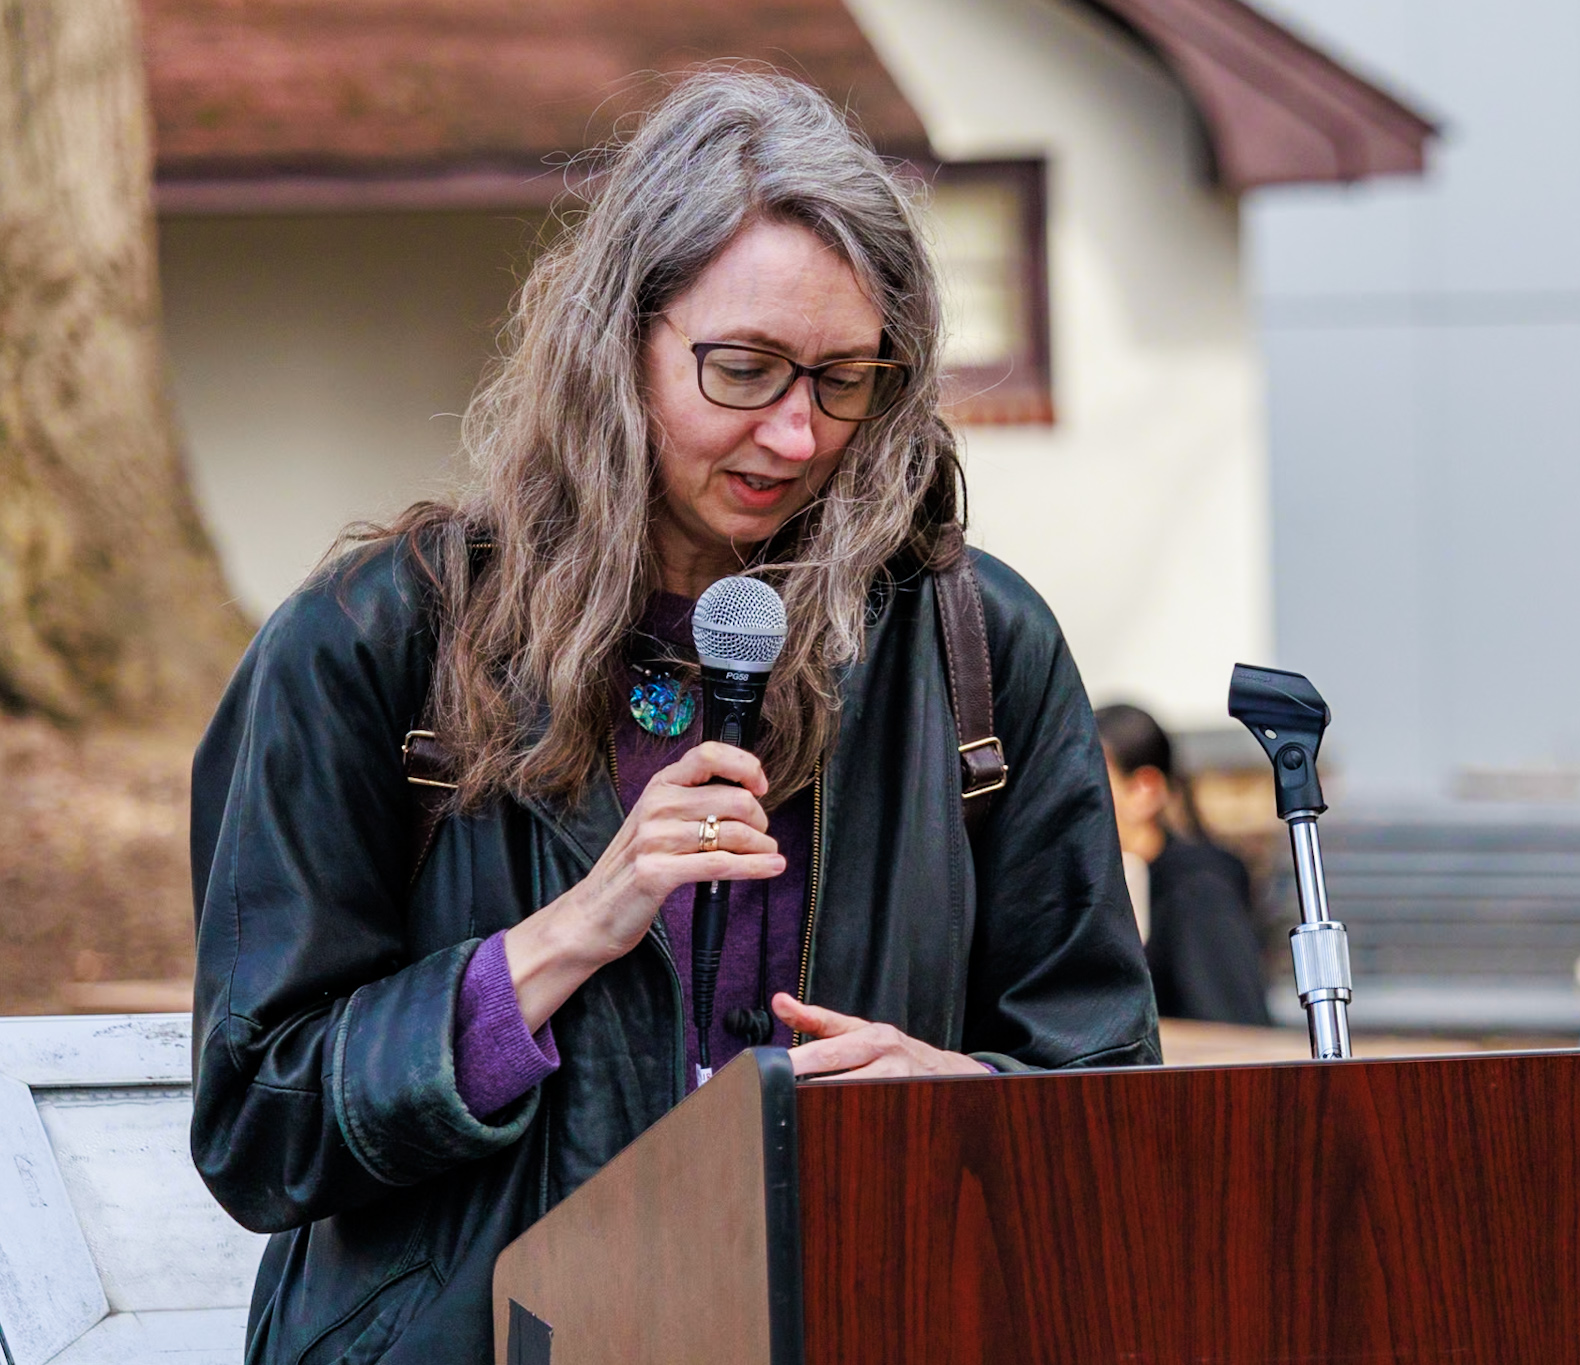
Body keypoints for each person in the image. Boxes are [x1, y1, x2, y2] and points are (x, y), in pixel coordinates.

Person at [189, 72, 1157, 1364]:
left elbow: (1112, 1101)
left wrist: (959, 1102)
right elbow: (259, 1115)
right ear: (616, 340)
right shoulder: (373, 645)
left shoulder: (979, 652)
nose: (799, 432)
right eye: (744, 368)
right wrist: (564, 938)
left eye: (845, 379)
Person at [1095, 703, 1271, 1026]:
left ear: (1144, 790)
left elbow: (1231, 1031)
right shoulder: (1117, 877)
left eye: (1089, 782)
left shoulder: (1199, 889)